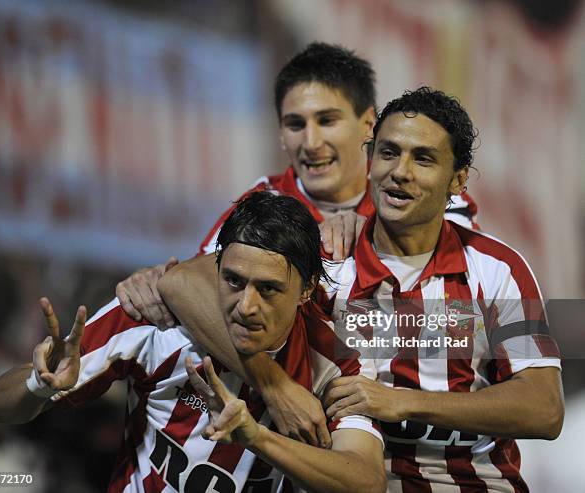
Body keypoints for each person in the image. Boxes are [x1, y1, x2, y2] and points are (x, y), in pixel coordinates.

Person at [158, 88, 563, 492]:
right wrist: (274, 385)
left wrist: (400, 402)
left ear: (457, 180)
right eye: (388, 153)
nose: (399, 171)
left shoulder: (497, 269)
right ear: (369, 162)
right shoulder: (325, 263)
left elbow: (544, 410)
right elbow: (185, 281)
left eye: (422, 158)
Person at [0, 192, 386, 493]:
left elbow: (366, 482)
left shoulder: (334, 362)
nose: (246, 306)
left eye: (268, 290)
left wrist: (257, 437)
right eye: (233, 281)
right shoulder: (157, 320)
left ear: (306, 291)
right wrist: (38, 385)